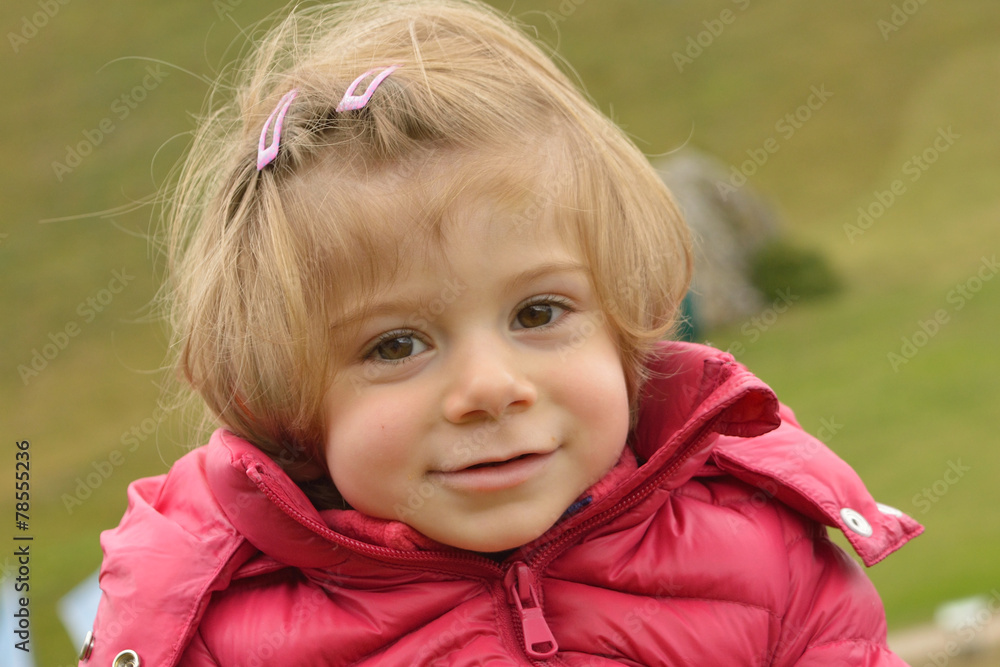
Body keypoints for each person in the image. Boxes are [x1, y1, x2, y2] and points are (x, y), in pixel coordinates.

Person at [80, 1, 923, 664]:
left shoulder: (763, 560)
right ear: (282, 401)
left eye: (538, 313)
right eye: (395, 345)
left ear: (625, 322)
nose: (489, 387)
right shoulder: (219, 634)